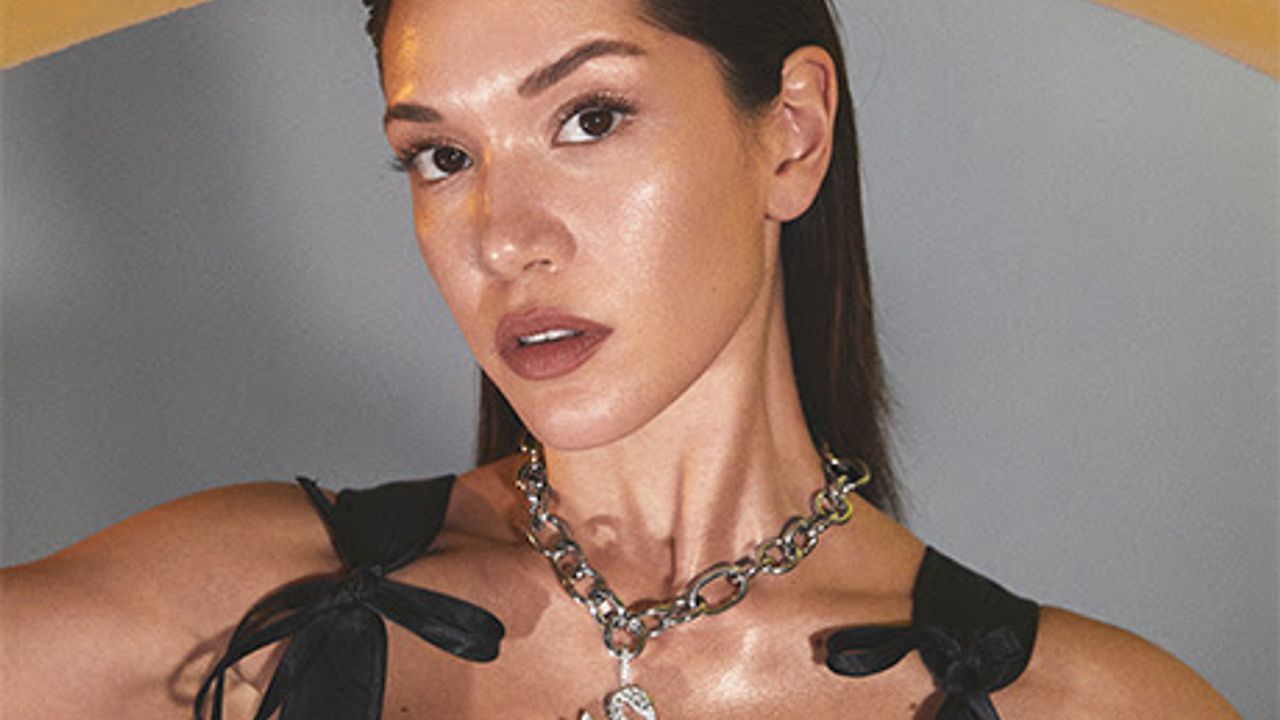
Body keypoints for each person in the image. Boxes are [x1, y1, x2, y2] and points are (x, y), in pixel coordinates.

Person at [0, 0, 1241, 718]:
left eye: (588, 119)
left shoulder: (1086, 704)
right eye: (441, 157)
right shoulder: (247, 605)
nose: (504, 238)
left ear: (790, 136)